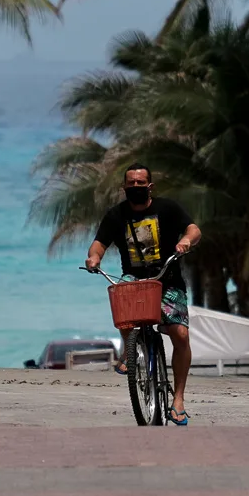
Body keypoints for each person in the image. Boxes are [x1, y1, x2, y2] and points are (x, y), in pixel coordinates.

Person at [86, 163, 201, 425]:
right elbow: (99, 243)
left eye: (141, 183)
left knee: (180, 335)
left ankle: (178, 399)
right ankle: (130, 352)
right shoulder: (116, 215)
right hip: (135, 279)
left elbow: (194, 230)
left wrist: (185, 241)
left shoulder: (167, 208)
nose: (136, 187)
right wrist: (94, 258)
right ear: (124, 188)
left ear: (150, 186)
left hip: (167, 279)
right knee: (123, 308)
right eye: (131, 184)